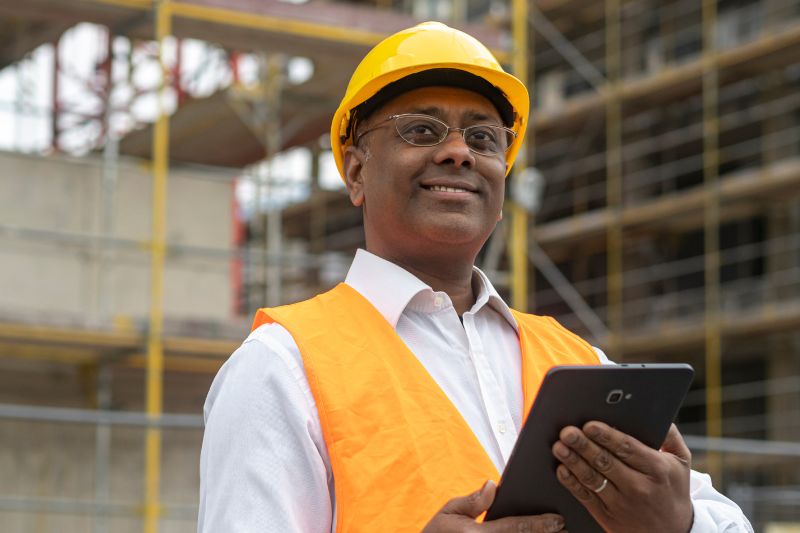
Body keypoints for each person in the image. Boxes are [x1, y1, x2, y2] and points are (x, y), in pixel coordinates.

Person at [198, 21, 753, 533]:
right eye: (421, 130)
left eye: (485, 138)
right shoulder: (282, 368)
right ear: (356, 169)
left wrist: (676, 525)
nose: (460, 152)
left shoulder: (578, 361)